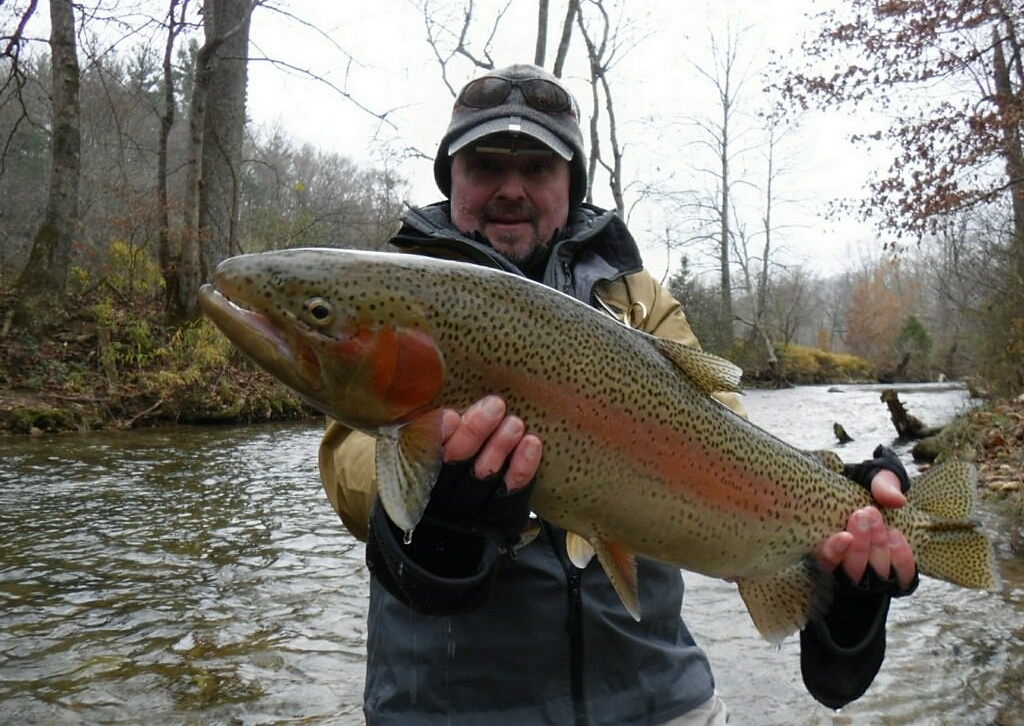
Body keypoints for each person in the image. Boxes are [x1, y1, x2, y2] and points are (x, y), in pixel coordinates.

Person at [318, 63, 919, 725]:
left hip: (660, 700)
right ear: (451, 177)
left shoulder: (635, 301)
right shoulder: (402, 293)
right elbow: (350, 468)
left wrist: (832, 518)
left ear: (571, 185)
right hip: (449, 709)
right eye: (485, 166)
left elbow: (725, 442)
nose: (510, 189)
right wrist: (428, 514)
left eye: (538, 168)